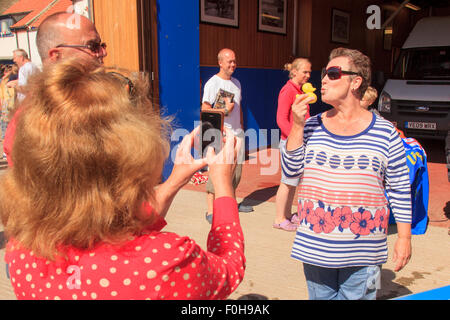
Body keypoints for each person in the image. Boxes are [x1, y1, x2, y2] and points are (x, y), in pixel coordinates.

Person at [0, 58, 245, 300]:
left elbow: (118, 227)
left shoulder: (20, 250)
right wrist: (223, 184)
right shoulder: (164, 261)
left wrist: (174, 181)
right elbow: (229, 267)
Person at [281, 47, 412, 300]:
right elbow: (291, 172)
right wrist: (297, 125)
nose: (324, 79)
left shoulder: (386, 134)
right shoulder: (310, 126)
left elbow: (399, 189)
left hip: (365, 250)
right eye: (323, 74)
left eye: (333, 73)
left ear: (356, 82)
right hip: (316, 247)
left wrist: (404, 238)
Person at [3, 11, 108, 166]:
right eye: (93, 46)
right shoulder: (30, 123)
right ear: (56, 55)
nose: (103, 52)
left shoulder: (98, 100)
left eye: (102, 45)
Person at [201, 48, 251, 223]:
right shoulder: (212, 83)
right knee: (217, 172)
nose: (233, 64)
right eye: (229, 61)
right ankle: (210, 211)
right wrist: (224, 110)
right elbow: (205, 109)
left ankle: (231, 204)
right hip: (220, 134)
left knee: (235, 173)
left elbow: (239, 108)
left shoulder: (236, 83)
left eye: (234, 61)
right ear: (220, 63)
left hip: (237, 133)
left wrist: (242, 127)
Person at [274, 58, 312, 231]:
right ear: (294, 72)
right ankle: (279, 218)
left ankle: (288, 214)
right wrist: (293, 138)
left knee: (293, 181)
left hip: (298, 142)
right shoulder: (288, 90)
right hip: (290, 142)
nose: (308, 75)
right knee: (287, 181)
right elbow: (281, 119)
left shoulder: (301, 91)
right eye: (305, 71)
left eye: (309, 72)